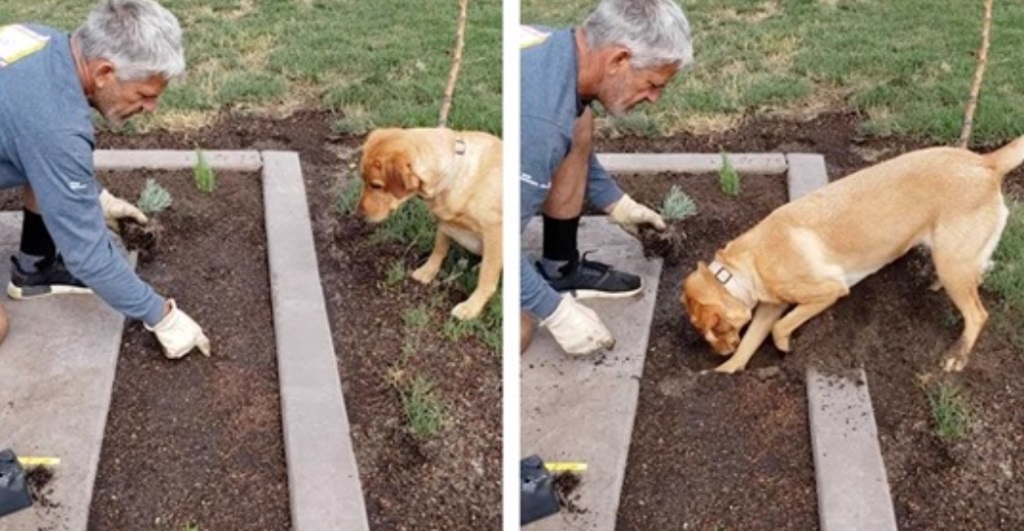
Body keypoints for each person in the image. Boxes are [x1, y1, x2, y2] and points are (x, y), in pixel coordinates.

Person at [0, 0, 210, 358]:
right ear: (104, 73)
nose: (150, 108)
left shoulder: (42, 39)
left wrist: (97, 198)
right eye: (145, 95)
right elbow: (88, 255)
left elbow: (41, 150)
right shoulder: (55, 125)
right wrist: (163, 317)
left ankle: (36, 267)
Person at [520, 0, 693, 355]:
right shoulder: (539, 126)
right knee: (519, 333)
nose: (655, 99)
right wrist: (555, 312)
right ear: (619, 60)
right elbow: (498, 236)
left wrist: (617, 204)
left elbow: (566, 136)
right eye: (652, 84)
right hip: (477, 200)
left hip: (514, 141)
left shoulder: (556, 48)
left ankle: (560, 268)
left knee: (579, 118)